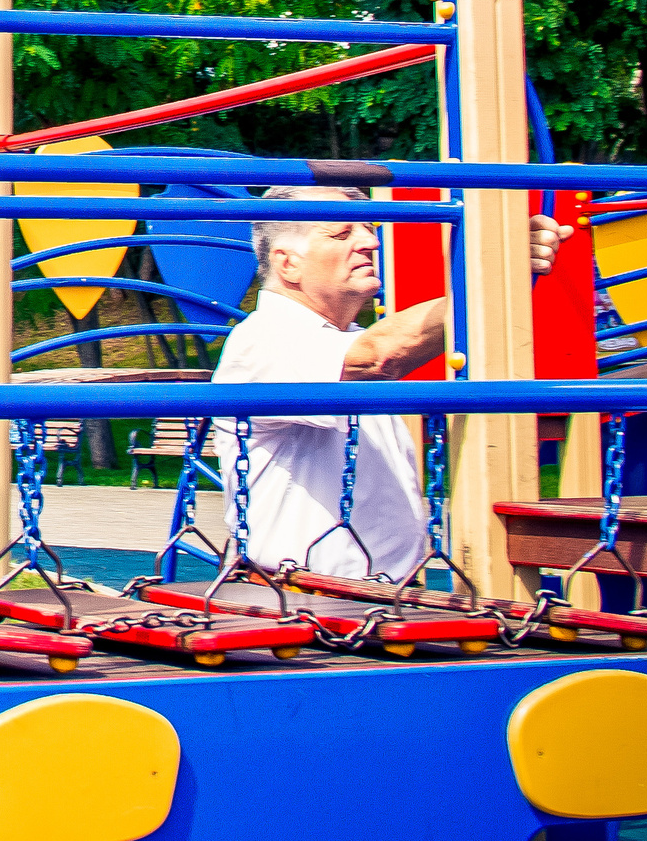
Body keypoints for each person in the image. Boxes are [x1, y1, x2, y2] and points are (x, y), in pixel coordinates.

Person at [211, 184, 566, 577]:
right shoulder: (264, 338)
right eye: (342, 232)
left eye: (368, 228)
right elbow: (377, 357)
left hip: (375, 598)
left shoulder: (335, 338)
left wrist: (507, 267)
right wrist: (493, 279)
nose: (369, 242)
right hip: (299, 601)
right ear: (288, 264)